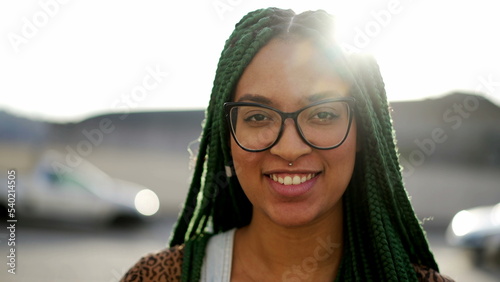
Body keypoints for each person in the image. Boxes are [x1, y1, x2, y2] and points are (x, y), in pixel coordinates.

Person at [121, 7, 454, 281]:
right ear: (227, 138)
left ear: (362, 134)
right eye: (257, 117)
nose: (290, 149)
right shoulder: (158, 277)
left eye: (323, 114)